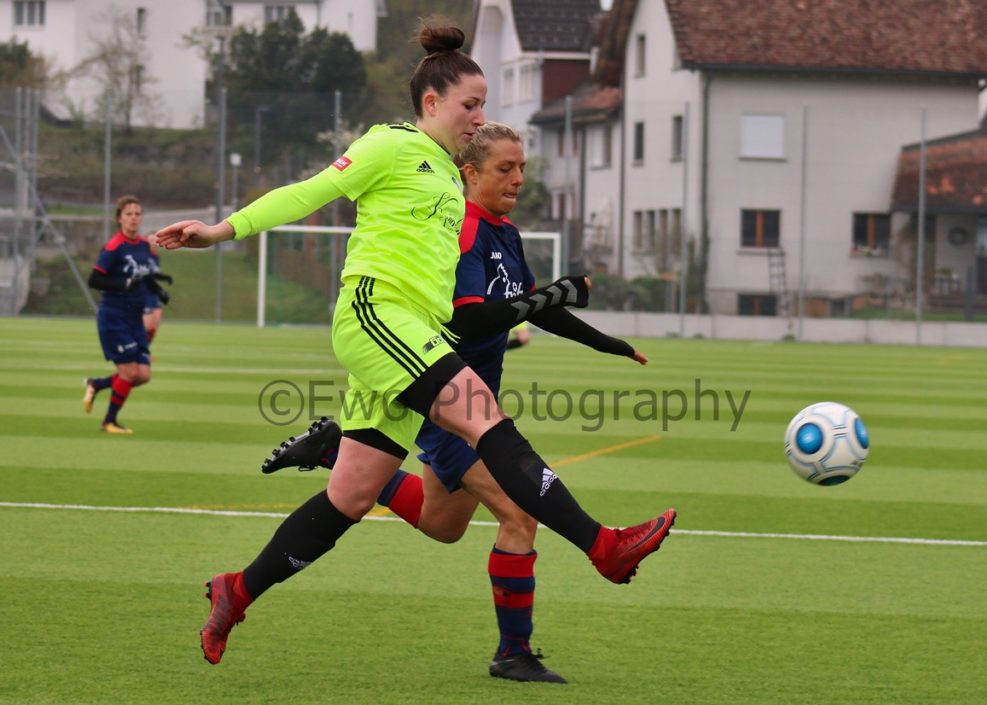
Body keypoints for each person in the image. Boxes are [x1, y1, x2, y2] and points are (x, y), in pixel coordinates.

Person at [155, 23, 676, 669]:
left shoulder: (447, 174)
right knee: (482, 413)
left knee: (351, 495)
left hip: (413, 333)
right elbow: (308, 191)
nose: (479, 116)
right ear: (431, 102)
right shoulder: (389, 145)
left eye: (483, 104)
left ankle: (237, 588)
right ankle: (604, 545)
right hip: (378, 313)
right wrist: (219, 230)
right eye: (470, 104)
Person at [261, 122, 650, 684]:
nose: (517, 179)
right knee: (519, 514)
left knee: (443, 524)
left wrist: (606, 343)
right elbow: (471, 317)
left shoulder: (506, 234)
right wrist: (554, 293)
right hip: (446, 402)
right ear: (468, 173)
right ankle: (513, 652)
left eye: (521, 169)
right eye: (504, 169)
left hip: (473, 400)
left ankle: (329, 449)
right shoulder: (461, 232)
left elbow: (533, 307)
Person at [82, 195, 169, 434]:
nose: (134, 218)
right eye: (129, 213)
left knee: (143, 375)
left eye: (138, 213)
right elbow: (95, 279)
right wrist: (123, 284)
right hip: (114, 318)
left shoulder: (142, 246)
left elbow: (145, 277)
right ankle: (109, 421)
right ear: (119, 218)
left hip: (134, 317)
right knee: (130, 372)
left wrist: (159, 292)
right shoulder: (114, 246)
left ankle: (97, 384)